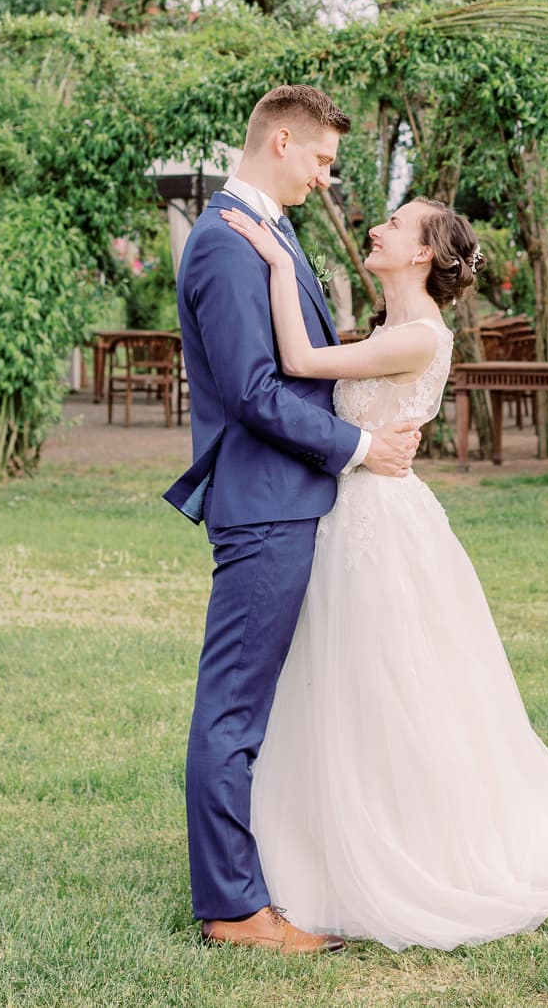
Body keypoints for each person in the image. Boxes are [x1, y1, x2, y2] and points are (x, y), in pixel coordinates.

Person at [221, 193, 548, 952]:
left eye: (396, 224)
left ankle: (410, 844)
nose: (378, 226)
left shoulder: (417, 336)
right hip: (354, 514)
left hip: (380, 527)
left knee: (390, 685)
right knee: (341, 683)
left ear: (421, 254)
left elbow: (300, 364)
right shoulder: (389, 327)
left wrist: (275, 257)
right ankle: (319, 844)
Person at [163, 85, 421, 955]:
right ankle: (235, 910)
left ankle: (264, 876)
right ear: (281, 141)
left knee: (252, 707)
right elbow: (254, 390)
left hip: (286, 501)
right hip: (266, 504)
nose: (326, 177)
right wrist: (357, 445)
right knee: (231, 711)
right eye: (321, 159)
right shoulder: (225, 247)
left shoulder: (264, 235)